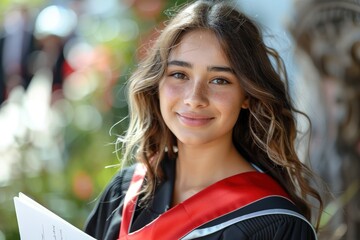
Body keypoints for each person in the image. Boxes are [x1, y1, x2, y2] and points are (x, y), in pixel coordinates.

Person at [84, 0, 323, 239]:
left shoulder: (275, 225)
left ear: (247, 95)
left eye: (219, 80)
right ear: (157, 83)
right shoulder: (125, 191)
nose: (194, 98)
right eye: (179, 74)